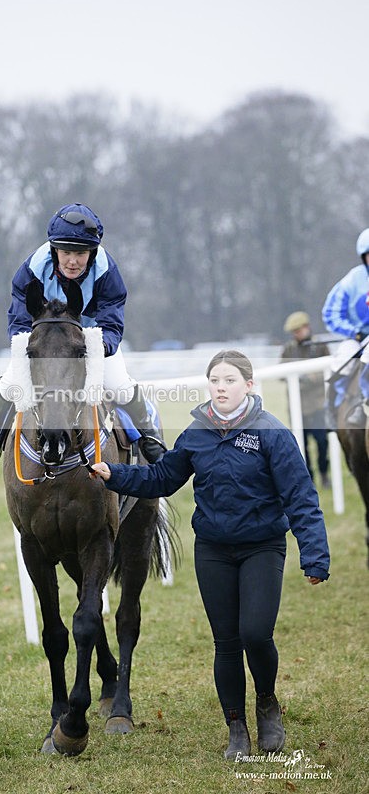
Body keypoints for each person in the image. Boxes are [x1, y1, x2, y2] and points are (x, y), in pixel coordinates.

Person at [91, 350, 330, 760]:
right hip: (214, 550)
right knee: (226, 642)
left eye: (230, 380)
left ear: (249, 387)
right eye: (215, 380)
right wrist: (117, 475)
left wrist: (315, 555)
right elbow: (162, 477)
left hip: (262, 547)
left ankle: (268, 705)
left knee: (256, 634)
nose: (221, 387)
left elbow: (302, 498)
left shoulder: (272, 433)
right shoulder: (197, 433)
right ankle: (236, 727)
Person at [0, 203, 166, 469]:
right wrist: (30, 345)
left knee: (119, 384)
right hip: (46, 344)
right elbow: (19, 317)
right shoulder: (31, 270)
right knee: (9, 384)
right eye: (65, 252)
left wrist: (101, 346)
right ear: (54, 250)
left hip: (91, 341)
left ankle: (148, 436)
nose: (72, 261)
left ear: (92, 252)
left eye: (80, 253)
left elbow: (111, 318)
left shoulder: (107, 271)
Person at [322, 228, 369, 427]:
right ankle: (334, 409)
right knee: (341, 363)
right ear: (363, 257)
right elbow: (330, 314)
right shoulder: (352, 281)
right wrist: (353, 331)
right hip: (357, 337)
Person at [281, 311, 330, 487]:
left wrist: (309, 377)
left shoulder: (319, 346)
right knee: (302, 447)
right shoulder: (288, 349)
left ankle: (324, 474)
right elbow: (281, 373)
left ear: (307, 327)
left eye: (298, 330)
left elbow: (327, 371)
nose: (296, 334)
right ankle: (309, 478)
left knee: (322, 443)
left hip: (317, 405)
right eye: (293, 331)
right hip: (297, 407)